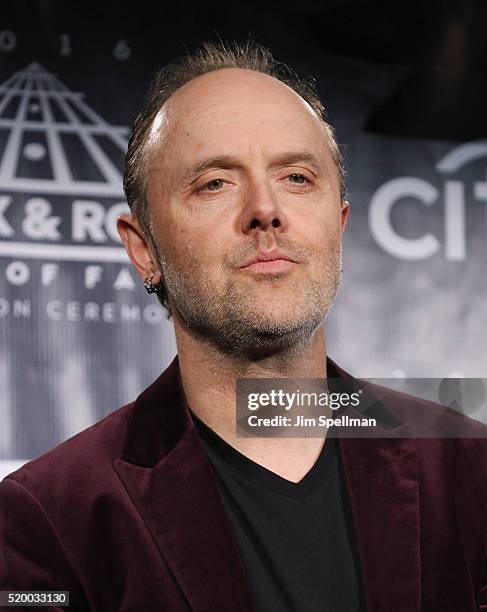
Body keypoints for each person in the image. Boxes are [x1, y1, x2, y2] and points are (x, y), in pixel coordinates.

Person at [0, 40, 486, 612]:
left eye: (298, 178)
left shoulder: (470, 473)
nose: (265, 208)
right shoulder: (47, 519)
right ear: (143, 249)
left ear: (339, 224)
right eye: (214, 183)